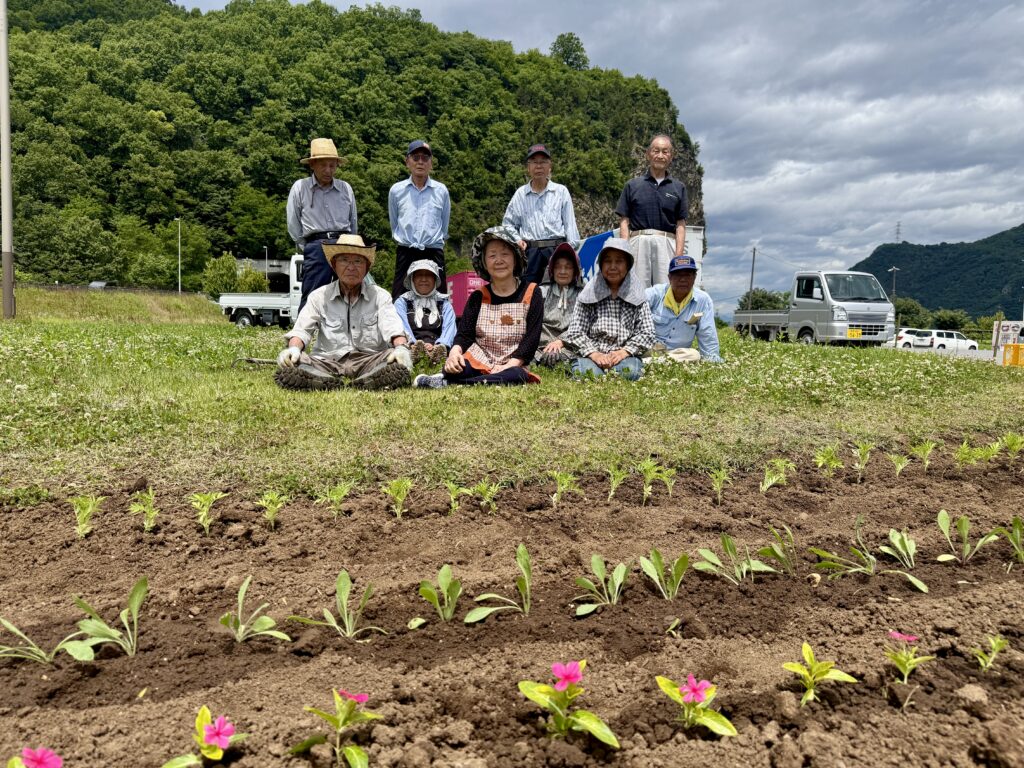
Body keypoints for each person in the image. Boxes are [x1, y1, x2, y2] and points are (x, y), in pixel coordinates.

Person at [275, 235, 412, 391]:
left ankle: (365, 378)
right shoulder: (318, 296)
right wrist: (293, 349)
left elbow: (392, 327)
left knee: (393, 359)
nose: (351, 267)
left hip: (369, 360)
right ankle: (325, 378)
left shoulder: (380, 296)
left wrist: (401, 348)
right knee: (297, 361)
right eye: (344, 260)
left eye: (358, 261)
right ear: (334, 265)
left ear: (367, 267)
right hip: (326, 361)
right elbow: (302, 330)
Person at [414, 226, 543, 388]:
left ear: (515, 258)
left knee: (516, 376)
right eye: (492, 255)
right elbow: (464, 334)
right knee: (457, 368)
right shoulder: (478, 296)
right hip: (479, 359)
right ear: (484, 262)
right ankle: (453, 378)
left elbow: (531, 340)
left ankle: (450, 384)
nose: (499, 260)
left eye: (505, 254)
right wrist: (454, 354)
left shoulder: (532, 292)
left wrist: (509, 365)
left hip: (513, 363)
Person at [561, 238, 655, 381]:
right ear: (601, 264)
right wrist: (594, 354)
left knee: (630, 372)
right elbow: (575, 332)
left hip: (624, 356)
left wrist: (624, 352)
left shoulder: (638, 295)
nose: (612, 266)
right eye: (607, 261)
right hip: (592, 356)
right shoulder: (588, 294)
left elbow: (647, 332)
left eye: (619, 261)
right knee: (585, 372)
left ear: (628, 265)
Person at [287, 138, 359, 313]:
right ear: (312, 165)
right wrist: (308, 246)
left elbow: (353, 222)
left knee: (350, 292)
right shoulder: (300, 187)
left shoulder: (345, 188)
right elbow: (293, 224)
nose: (328, 170)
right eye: (323, 165)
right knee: (312, 293)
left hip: (344, 243)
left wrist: (351, 245)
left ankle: (347, 333)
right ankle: (301, 337)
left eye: (332, 165)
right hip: (316, 245)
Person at [614, 134, 688, 289]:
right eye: (656, 151)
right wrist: (624, 250)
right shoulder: (632, 185)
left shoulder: (678, 187)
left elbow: (680, 223)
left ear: (671, 156)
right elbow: (624, 221)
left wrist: (678, 255)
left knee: (667, 290)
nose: (660, 155)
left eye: (665, 151)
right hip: (638, 243)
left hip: (667, 242)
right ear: (648, 154)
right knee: (636, 289)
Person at [502, 144, 580, 285]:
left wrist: (570, 252)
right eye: (534, 162)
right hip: (530, 253)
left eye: (543, 162)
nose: (539, 166)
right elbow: (507, 224)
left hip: (557, 250)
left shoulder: (561, 191)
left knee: (561, 294)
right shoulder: (520, 194)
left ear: (550, 166)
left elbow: (570, 226)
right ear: (528, 167)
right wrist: (517, 240)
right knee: (528, 296)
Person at [387, 140, 451, 298]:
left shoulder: (441, 190)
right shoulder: (396, 190)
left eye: (425, 158)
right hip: (406, 251)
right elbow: (394, 223)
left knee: (438, 298)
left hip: (433, 251)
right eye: (416, 158)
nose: (420, 162)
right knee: (400, 298)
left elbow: (444, 226)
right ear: (407, 161)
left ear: (431, 163)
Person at [645, 255, 723, 362]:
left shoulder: (703, 300)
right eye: (677, 275)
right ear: (669, 278)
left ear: (694, 277)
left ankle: (648, 363)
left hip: (678, 354)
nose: (683, 280)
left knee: (694, 355)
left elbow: (708, 335)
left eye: (688, 275)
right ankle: (657, 362)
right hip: (650, 349)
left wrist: (714, 362)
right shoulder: (654, 294)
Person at [393, 259, 457, 366]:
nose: (423, 279)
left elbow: (450, 328)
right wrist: (414, 344)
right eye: (419, 275)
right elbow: (401, 326)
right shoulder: (402, 302)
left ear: (435, 279)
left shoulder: (444, 303)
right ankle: (415, 353)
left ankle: (438, 354)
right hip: (411, 347)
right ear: (412, 279)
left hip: (437, 346)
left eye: (428, 275)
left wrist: (439, 345)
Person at [534, 243, 584, 367]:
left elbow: (584, 326)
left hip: (569, 345)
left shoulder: (583, 295)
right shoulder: (541, 292)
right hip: (540, 345)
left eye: (568, 267)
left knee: (562, 357)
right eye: (558, 267)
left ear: (575, 271)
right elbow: (532, 323)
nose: (562, 271)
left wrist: (561, 341)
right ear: (552, 270)